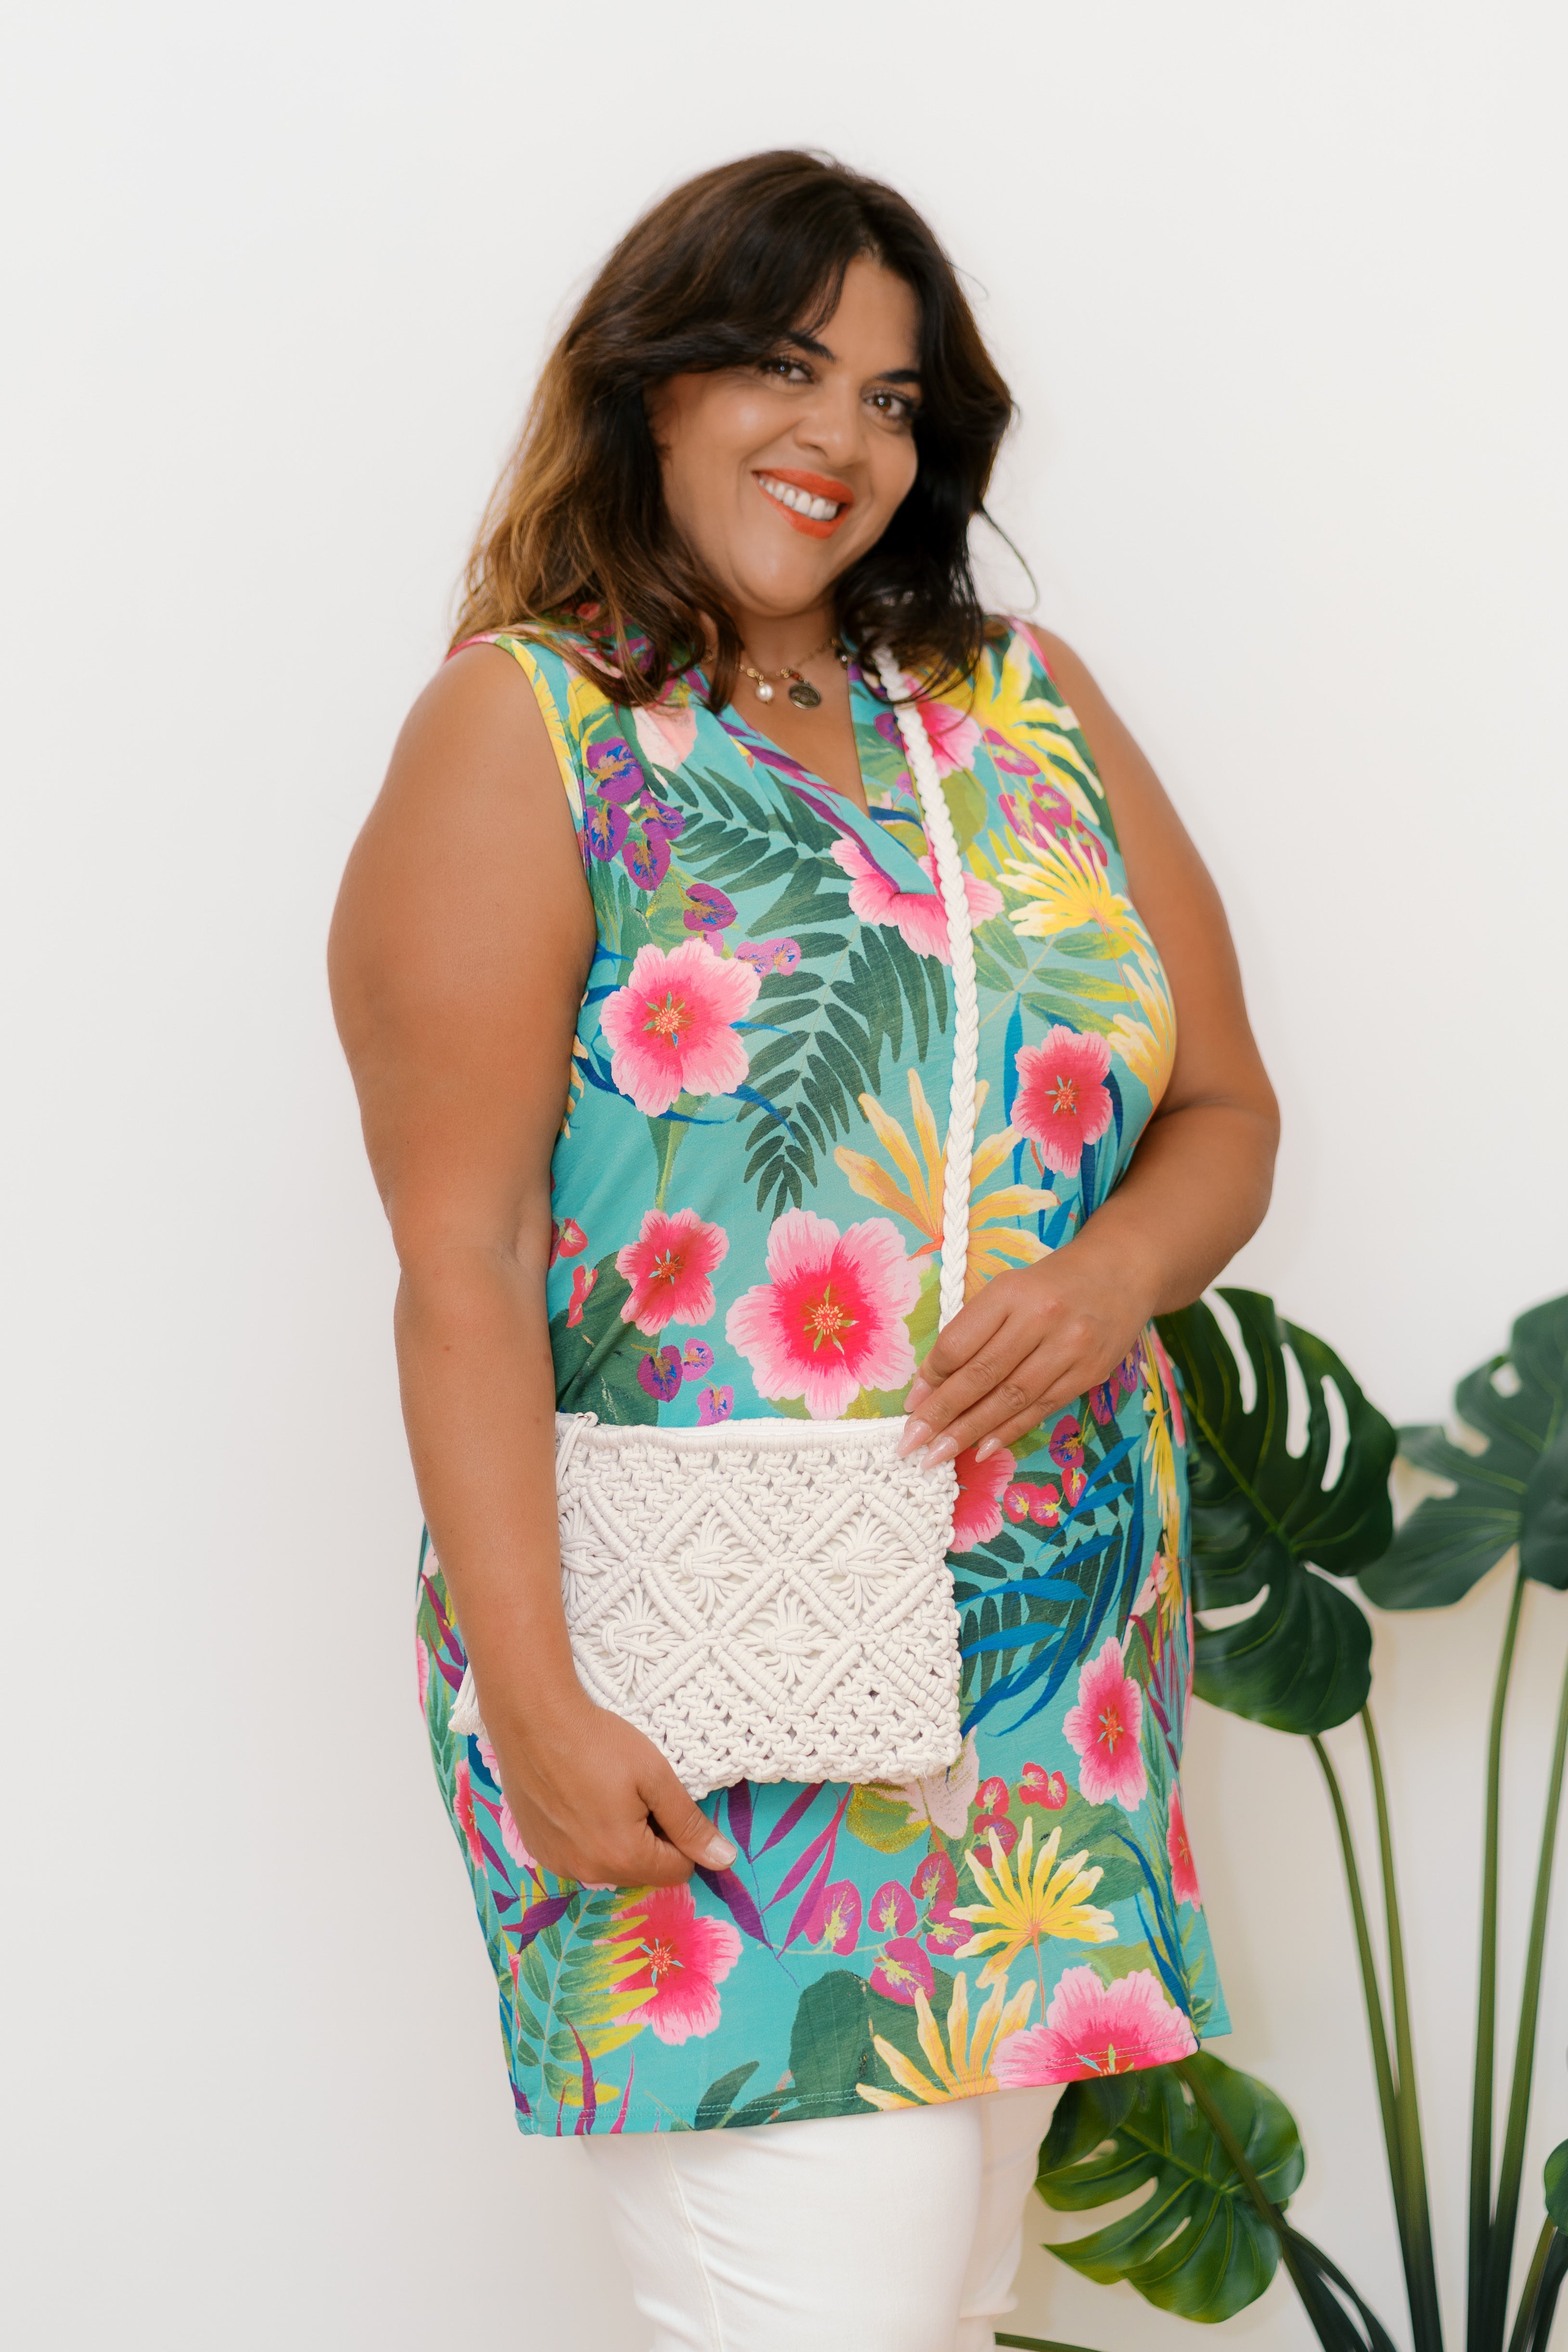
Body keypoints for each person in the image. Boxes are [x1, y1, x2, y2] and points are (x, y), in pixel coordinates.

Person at [329, 150, 1278, 2352]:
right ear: (648, 384)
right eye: (778, 362)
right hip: (694, 1677)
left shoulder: (1021, 709)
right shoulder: (529, 729)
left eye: (890, 395)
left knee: (938, 2298)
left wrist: (1109, 1277)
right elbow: (461, 1254)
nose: (836, 434)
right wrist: (534, 1703)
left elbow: (1222, 1111)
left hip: (1038, 1686)